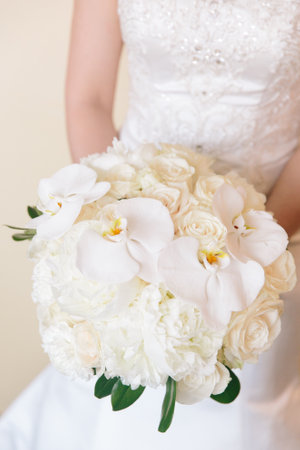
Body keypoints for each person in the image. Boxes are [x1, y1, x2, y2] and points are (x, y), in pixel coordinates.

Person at [1, 1, 300, 448]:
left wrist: (253, 252)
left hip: (264, 241)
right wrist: (113, 227)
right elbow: (91, 99)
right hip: (130, 224)